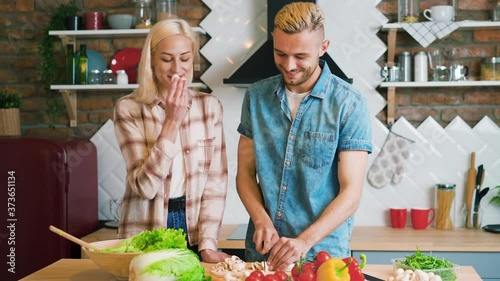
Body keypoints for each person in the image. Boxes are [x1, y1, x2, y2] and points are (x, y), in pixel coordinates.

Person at [236, 2, 372, 271]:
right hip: (265, 255)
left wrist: (303, 241)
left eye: (300, 55)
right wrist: (261, 220)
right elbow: (244, 174)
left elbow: (351, 194)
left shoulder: (349, 104)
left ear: (323, 47)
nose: (289, 65)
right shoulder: (256, 98)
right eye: (280, 53)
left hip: (323, 258)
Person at [113, 19, 231, 263]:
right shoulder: (128, 109)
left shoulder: (209, 107)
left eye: (185, 58)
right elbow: (144, 187)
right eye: (167, 59)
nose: (177, 67)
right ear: (152, 61)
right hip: (145, 231)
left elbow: (215, 184)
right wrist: (171, 122)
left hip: (193, 229)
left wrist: (208, 244)